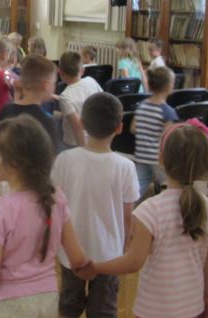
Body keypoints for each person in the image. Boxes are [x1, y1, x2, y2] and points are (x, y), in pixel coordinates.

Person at [79, 123, 208, 318]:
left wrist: (95, 267)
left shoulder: (150, 211)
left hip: (154, 309)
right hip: (192, 306)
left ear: (161, 158)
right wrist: (207, 297)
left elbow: (133, 262)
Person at [0, 116, 91, 317]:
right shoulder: (56, 198)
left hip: (5, 306)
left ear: (14, 162)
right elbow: (77, 257)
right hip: (47, 299)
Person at [52, 92, 139, 318]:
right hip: (109, 254)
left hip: (70, 251)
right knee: (104, 310)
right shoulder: (126, 167)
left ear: (81, 122)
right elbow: (127, 215)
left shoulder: (64, 160)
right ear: (119, 127)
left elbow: (53, 205)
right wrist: (124, 246)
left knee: (68, 307)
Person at [0, 55, 62, 152]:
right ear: (45, 86)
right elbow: (52, 156)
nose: (54, 87)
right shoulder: (47, 122)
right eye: (54, 83)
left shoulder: (6, 110)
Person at [132, 67, 179, 198]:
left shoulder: (142, 105)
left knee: (137, 188)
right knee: (169, 186)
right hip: (158, 158)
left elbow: (133, 128)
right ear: (168, 86)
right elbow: (167, 139)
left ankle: (126, 207)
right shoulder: (168, 112)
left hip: (141, 155)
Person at [57, 51, 101, 148]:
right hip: (94, 137)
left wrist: (83, 151)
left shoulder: (65, 96)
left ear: (60, 72)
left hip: (74, 143)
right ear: (82, 70)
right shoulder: (91, 81)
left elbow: (77, 127)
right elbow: (102, 101)